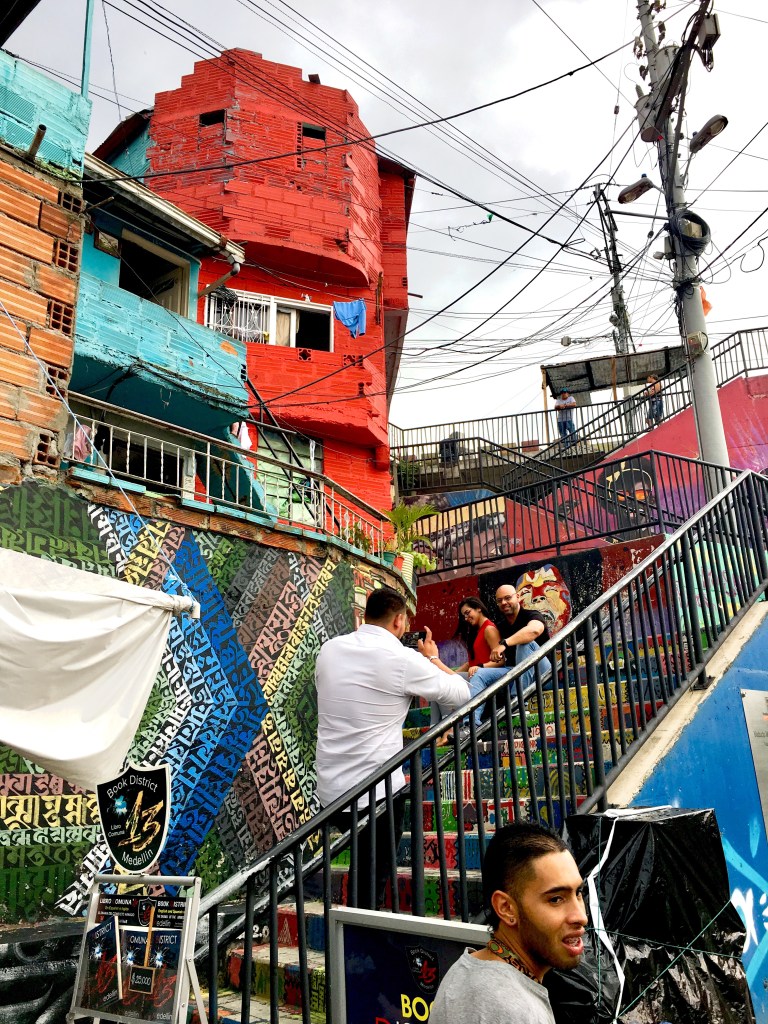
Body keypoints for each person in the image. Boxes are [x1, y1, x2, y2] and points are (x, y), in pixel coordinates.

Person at [314, 586, 470, 909]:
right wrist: (432, 658)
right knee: (372, 881)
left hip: (330, 793)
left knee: (361, 869)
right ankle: (361, 928)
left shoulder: (329, 650)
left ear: (365, 615)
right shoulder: (402, 658)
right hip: (376, 793)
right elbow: (461, 693)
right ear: (399, 621)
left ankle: (353, 922)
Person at [429, 823, 587, 1024]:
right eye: (556, 899)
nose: (580, 916)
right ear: (506, 908)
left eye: (578, 893)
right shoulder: (516, 1011)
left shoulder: (468, 968)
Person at [465, 584, 550, 730]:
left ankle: (516, 702)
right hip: (515, 672)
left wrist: (505, 643)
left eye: (508, 598)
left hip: (544, 674)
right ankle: (470, 725)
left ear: (518, 597)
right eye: (500, 600)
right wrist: (482, 666)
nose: (504, 602)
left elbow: (534, 630)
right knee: (479, 674)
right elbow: (499, 659)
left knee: (525, 644)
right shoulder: (501, 626)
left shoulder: (532, 615)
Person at [431, 597, 501, 726]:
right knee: (440, 681)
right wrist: (452, 673)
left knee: (444, 683)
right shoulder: (476, 632)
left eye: (468, 613)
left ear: (478, 608)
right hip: (473, 675)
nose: (466, 618)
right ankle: (434, 727)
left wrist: (481, 667)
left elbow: (500, 661)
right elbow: (470, 663)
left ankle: (446, 727)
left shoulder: (489, 629)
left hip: (483, 678)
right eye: (464, 616)